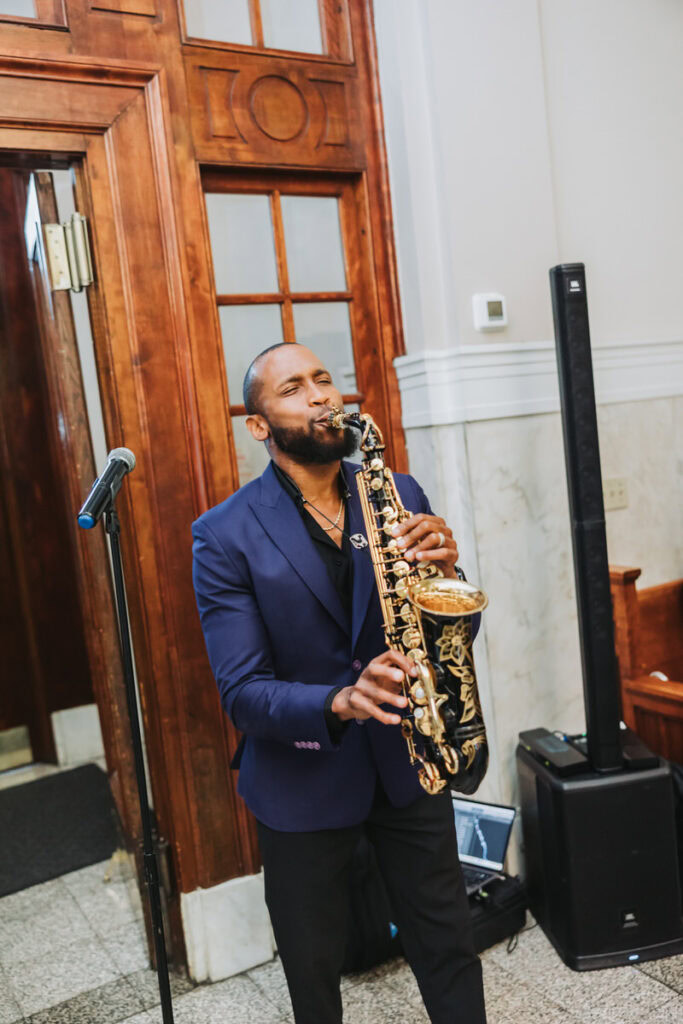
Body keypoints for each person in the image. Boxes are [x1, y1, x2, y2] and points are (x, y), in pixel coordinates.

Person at [191, 342, 487, 1024]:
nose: (322, 394)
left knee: (447, 941)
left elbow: (444, 643)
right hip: (301, 780)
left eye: (324, 379)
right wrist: (341, 701)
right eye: (294, 388)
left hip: (408, 760)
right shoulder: (223, 534)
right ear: (259, 426)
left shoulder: (398, 492)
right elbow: (240, 691)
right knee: (313, 971)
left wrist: (443, 579)